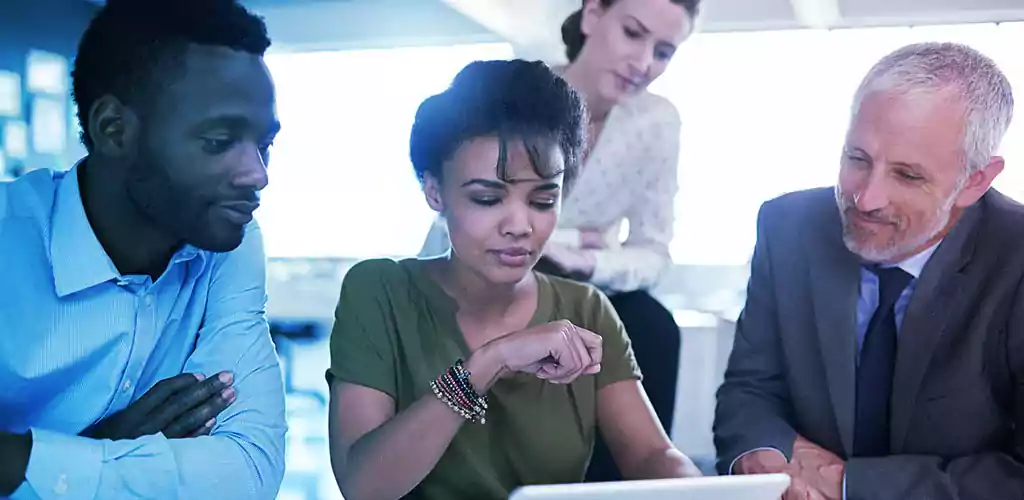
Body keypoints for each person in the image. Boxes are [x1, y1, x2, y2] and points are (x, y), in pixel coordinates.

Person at [328, 59, 701, 500]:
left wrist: (701, 488)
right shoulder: (380, 293)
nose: (520, 225)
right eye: (487, 199)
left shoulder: (585, 309)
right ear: (434, 191)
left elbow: (651, 456)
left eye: (543, 200)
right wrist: (492, 360)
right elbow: (365, 486)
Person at [714, 42, 1024, 500]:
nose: (866, 199)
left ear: (976, 180)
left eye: (907, 175)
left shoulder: (1015, 257)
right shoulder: (787, 226)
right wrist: (767, 456)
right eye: (857, 159)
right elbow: (749, 390)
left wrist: (848, 485)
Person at [0, 0, 285, 498]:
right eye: (220, 141)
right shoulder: (10, 239)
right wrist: (106, 445)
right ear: (114, 129)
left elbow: (247, 472)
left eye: (264, 145)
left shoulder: (228, 242)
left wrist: (32, 460)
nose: (257, 175)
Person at [419, 0, 700, 481]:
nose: (643, 63)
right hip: (478, 272)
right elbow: (473, 209)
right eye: (633, 33)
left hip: (580, 287)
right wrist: (579, 236)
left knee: (652, 325)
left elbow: (654, 253)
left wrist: (586, 260)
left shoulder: (657, 122)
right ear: (592, 14)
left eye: (663, 51)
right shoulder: (520, 92)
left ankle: (626, 488)